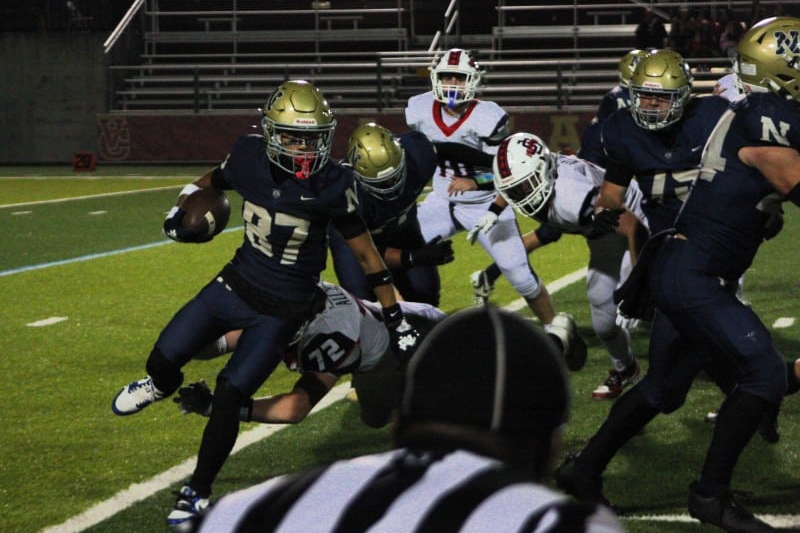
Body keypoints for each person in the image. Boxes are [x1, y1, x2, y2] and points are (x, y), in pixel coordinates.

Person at [111, 80, 421, 530]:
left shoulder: (334, 184)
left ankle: (197, 491)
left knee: (230, 392)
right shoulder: (247, 156)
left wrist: (395, 315)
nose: (303, 149)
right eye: (293, 137)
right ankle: (157, 385)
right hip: (235, 283)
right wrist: (181, 207)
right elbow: (210, 181)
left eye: (313, 139)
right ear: (271, 132)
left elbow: (368, 256)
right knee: (164, 356)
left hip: (284, 308)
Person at [556, 17, 800, 532]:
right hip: (692, 270)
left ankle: (584, 468)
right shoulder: (767, 114)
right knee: (762, 374)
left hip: (688, 265)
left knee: (665, 390)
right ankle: (710, 495)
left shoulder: (728, 112)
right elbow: (786, 173)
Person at [191, 306, 626, 533]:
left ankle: (552, 337)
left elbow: (295, 407)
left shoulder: (246, 510)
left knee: (372, 411)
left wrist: (221, 403)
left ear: (403, 423)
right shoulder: (565, 524)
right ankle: (551, 339)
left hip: (412, 336)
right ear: (549, 450)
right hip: (398, 343)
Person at [405, 48, 586, 370]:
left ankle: (557, 329)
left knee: (521, 277)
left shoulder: (488, 116)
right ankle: (407, 329)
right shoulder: (418, 109)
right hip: (441, 199)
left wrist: (476, 184)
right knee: (401, 251)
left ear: (472, 81)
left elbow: (505, 169)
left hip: (485, 203)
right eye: (446, 76)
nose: (451, 83)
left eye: (458, 77)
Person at [478, 132, 649, 400]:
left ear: (544, 170)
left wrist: (640, 281)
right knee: (604, 320)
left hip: (637, 221)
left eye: (526, 186)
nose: (522, 195)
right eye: (516, 190)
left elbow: (632, 227)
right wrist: (494, 210)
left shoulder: (569, 198)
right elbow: (508, 183)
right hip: (600, 232)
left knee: (653, 305)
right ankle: (626, 369)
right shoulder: (537, 173)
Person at [176, 280, 446, 429]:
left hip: (416, 341)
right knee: (373, 419)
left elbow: (293, 409)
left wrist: (215, 407)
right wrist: (180, 348)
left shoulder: (332, 337)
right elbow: (222, 341)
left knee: (400, 420)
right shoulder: (298, 299)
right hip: (382, 331)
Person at [329, 122, 452, 307]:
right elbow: (366, 253)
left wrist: (489, 164)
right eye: (382, 183)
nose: (391, 186)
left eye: (395, 176)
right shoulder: (345, 193)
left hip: (403, 231)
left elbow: (447, 151)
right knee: (365, 307)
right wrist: (417, 257)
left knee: (425, 295)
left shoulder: (417, 155)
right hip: (355, 248)